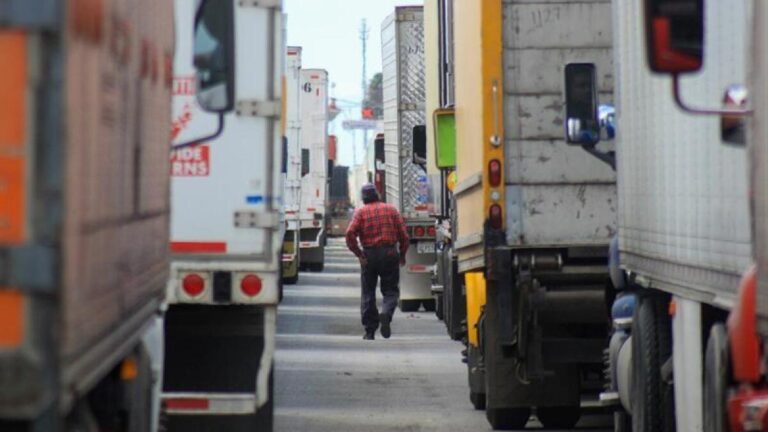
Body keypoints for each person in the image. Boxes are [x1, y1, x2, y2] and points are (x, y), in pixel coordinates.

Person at [345, 184, 409, 340]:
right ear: (377, 195)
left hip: (369, 255)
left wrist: (359, 254)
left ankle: (369, 331)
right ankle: (386, 313)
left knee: (368, 292)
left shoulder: (360, 213)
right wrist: (402, 255)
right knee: (391, 290)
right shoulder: (391, 210)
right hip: (389, 252)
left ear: (363, 198)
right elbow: (404, 236)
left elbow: (349, 234)